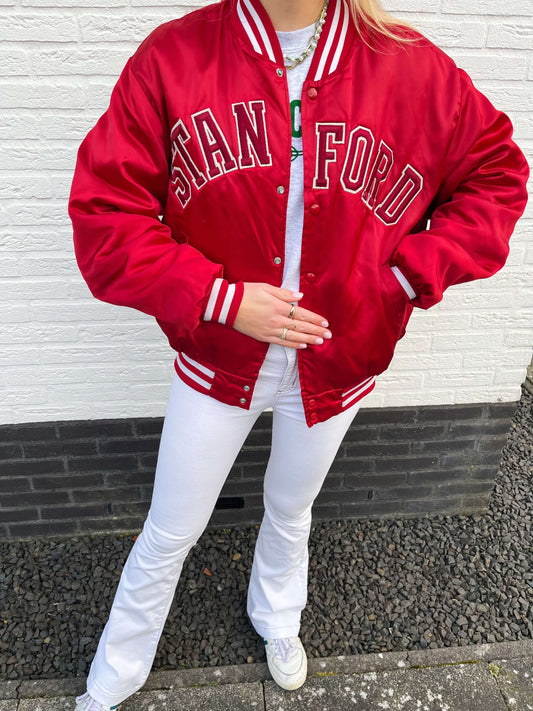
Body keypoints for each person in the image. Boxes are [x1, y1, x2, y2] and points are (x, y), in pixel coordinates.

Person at [68, 0, 529, 708]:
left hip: (336, 352)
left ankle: (278, 615)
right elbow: (107, 215)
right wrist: (221, 298)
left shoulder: (408, 65)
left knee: (291, 505)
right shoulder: (174, 57)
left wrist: (401, 279)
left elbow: (497, 177)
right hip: (221, 352)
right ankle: (120, 661)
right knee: (172, 524)